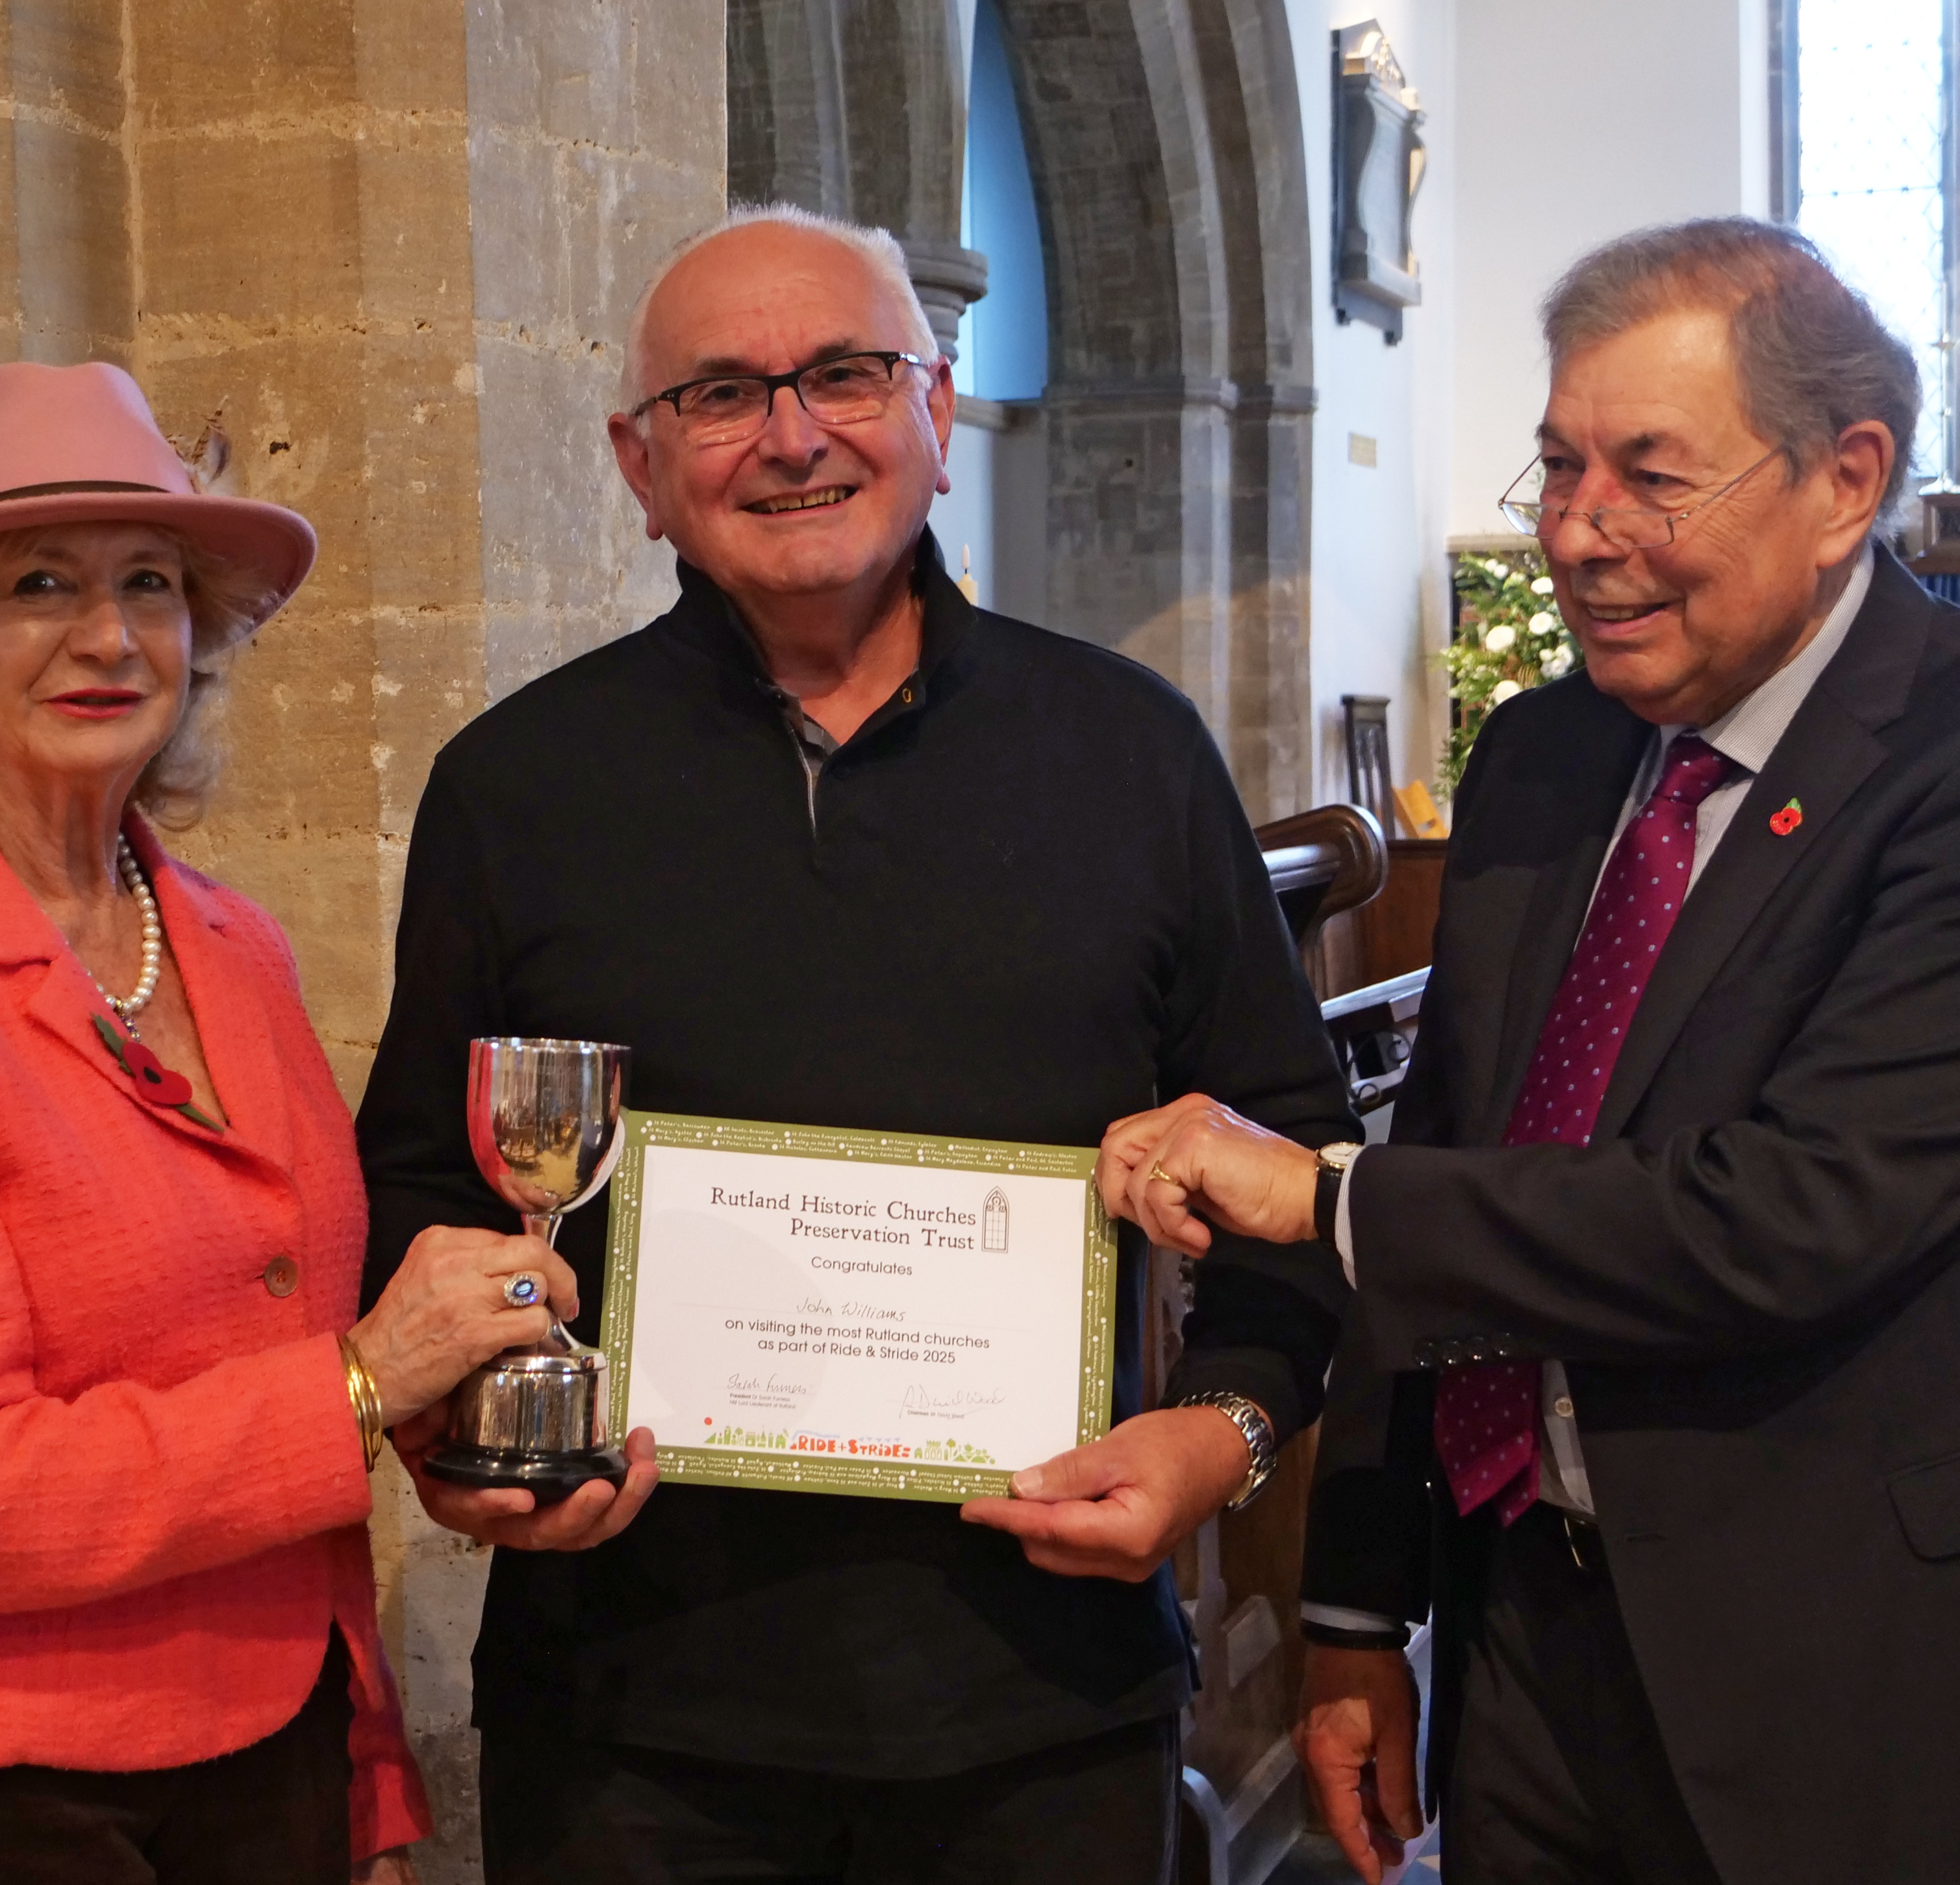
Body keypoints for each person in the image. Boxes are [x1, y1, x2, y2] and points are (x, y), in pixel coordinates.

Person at [1093, 219, 1960, 1885]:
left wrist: (1318, 1196)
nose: (1574, 534)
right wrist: (1351, 1613)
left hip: (1890, 1674)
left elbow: (1794, 1217)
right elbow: (1468, 1160)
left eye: (1646, 477)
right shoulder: (1546, 758)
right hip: (1533, 1658)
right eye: (1554, 468)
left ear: (1844, 480)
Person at [354, 203, 1355, 1882]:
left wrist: (1219, 1439)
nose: (794, 433)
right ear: (638, 460)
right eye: (724, 394)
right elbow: (411, 1180)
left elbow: (1302, 1174)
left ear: (938, 415)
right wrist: (453, 1445)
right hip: (632, 1717)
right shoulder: (518, 786)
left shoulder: (1129, 756)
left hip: (1046, 1698)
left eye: (845, 373)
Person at [0, 361, 586, 1885]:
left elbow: (285, 1358)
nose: (109, 636)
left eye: (151, 586)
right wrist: (367, 1380)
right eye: (37, 585)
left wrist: (365, 1773)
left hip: (272, 1747)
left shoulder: (228, 945)